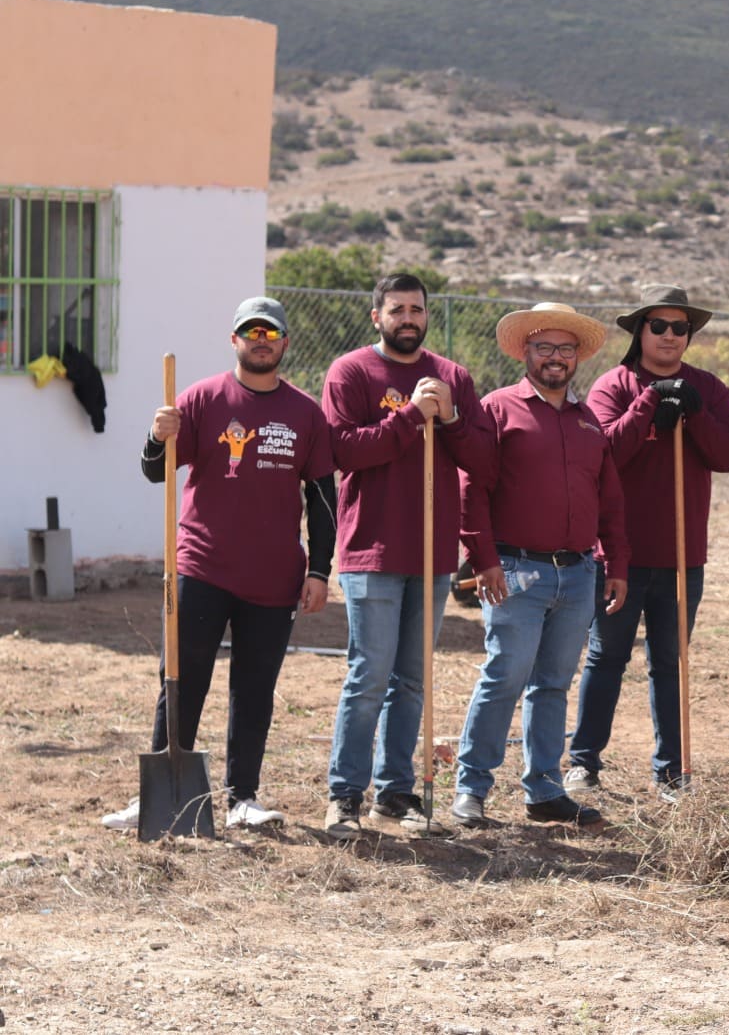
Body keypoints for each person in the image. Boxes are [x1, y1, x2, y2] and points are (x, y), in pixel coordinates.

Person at [102, 297, 335, 831]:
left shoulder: (305, 413)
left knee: (254, 690)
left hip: (273, 579)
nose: (261, 340)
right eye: (251, 331)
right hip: (202, 568)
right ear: (234, 340)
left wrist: (320, 570)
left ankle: (242, 799)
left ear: (285, 342)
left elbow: (324, 499)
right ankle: (158, 796)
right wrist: (156, 436)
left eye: (270, 332)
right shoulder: (202, 399)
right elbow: (154, 471)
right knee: (181, 679)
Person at [321, 273, 492, 839]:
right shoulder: (350, 372)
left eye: (416, 309)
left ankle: (395, 794)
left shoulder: (452, 378)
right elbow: (343, 450)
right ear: (377, 316)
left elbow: (482, 458)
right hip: (371, 550)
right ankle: (345, 796)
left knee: (412, 681)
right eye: (397, 310)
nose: (408, 319)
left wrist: (450, 419)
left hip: (432, 554)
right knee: (369, 676)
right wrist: (410, 416)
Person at [450, 303, 630, 827]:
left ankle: (545, 789)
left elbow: (609, 500)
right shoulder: (497, 409)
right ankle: (472, 788)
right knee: (504, 675)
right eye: (544, 347)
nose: (555, 357)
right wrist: (483, 560)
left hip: (578, 573)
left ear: (577, 357)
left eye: (565, 348)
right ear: (525, 352)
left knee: (553, 683)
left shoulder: (588, 420)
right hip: (514, 570)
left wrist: (616, 563)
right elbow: (472, 489)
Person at [565, 285, 729, 801]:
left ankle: (671, 771)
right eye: (659, 325)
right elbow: (604, 452)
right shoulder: (613, 385)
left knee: (669, 662)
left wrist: (695, 415)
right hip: (619, 554)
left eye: (680, 327)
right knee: (606, 658)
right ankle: (583, 763)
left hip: (682, 555)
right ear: (640, 331)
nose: (670, 335)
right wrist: (648, 404)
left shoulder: (707, 388)